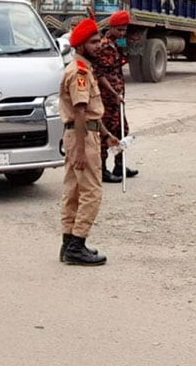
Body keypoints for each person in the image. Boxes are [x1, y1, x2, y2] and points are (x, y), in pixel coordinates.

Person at [59, 18, 119, 266]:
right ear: (81, 45)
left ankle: (68, 244)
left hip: (83, 134)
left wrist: (106, 134)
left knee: (73, 191)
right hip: (82, 137)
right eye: (93, 42)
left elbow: (91, 113)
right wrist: (83, 151)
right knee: (91, 192)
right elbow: (81, 111)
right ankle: (77, 245)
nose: (99, 45)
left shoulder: (82, 69)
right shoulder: (79, 73)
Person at [91, 9, 138, 183]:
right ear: (111, 28)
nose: (122, 33)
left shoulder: (116, 44)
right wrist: (113, 93)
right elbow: (100, 73)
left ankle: (119, 164)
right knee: (106, 133)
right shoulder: (104, 46)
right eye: (119, 30)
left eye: (124, 30)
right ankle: (102, 169)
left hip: (117, 96)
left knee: (122, 130)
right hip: (108, 98)